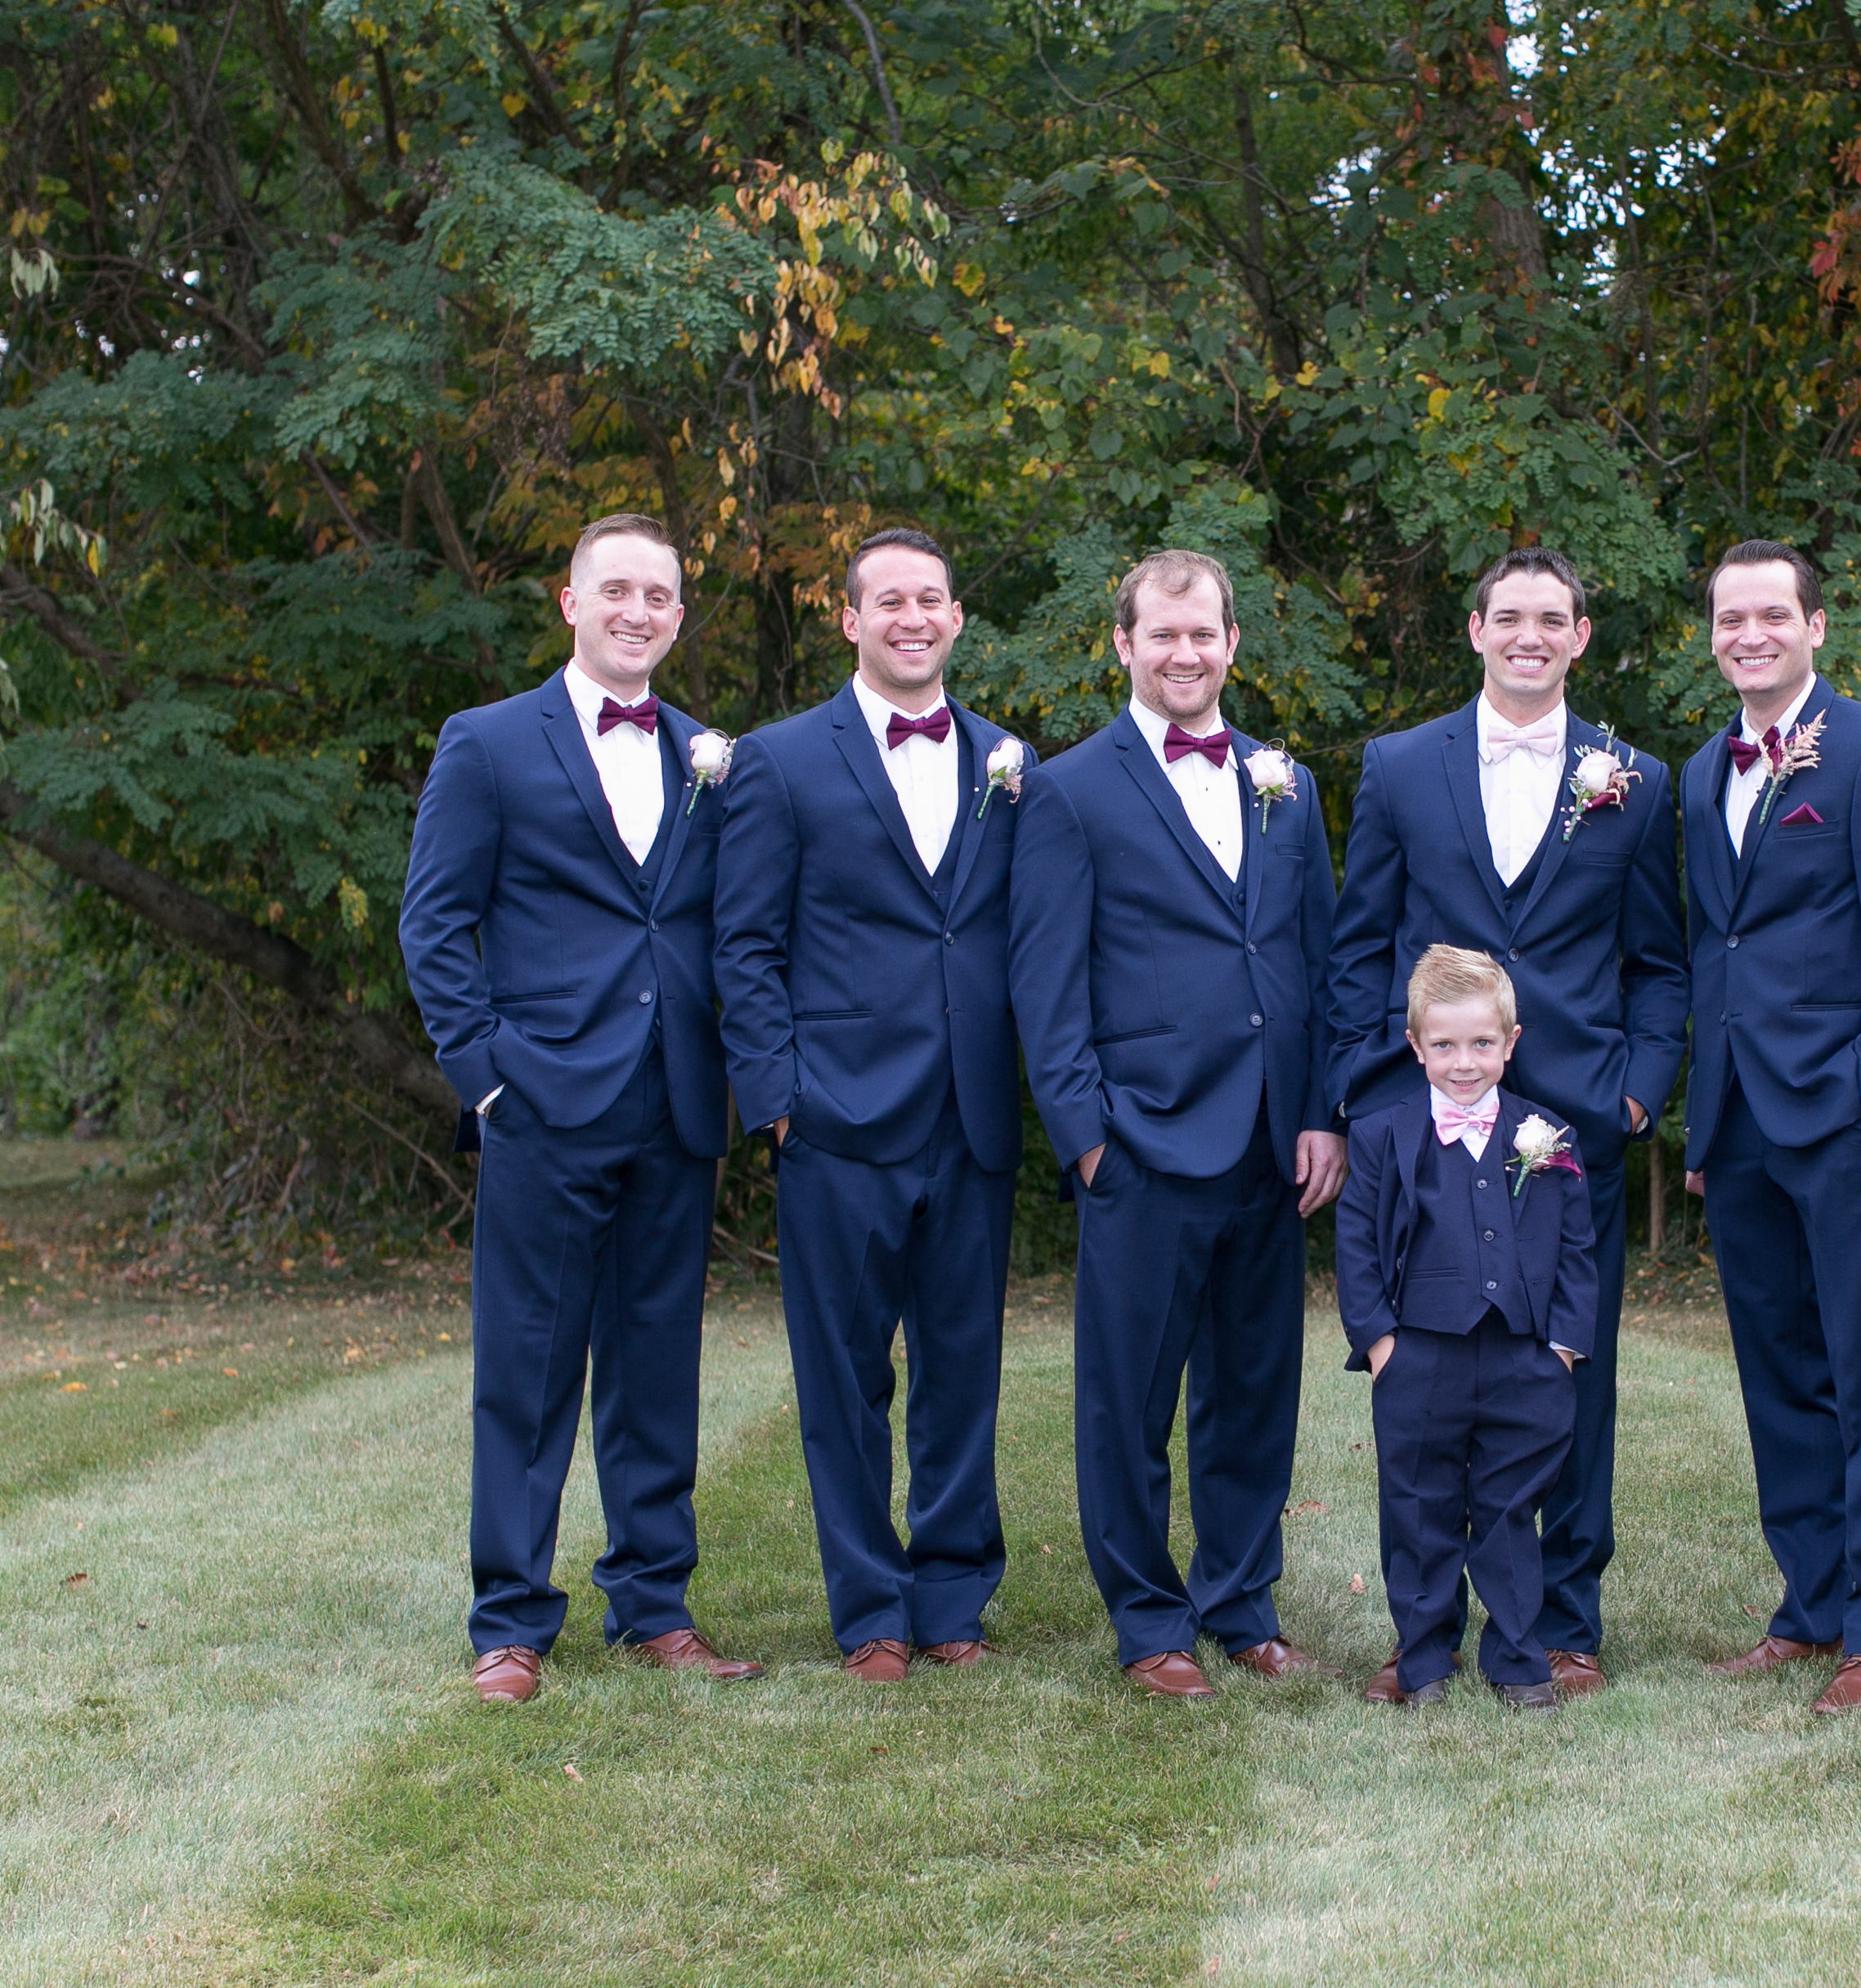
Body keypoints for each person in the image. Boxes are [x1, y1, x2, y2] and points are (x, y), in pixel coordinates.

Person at [399, 512, 762, 1703]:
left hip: (674, 1103)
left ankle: (652, 1602)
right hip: (543, 1101)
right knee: (529, 1366)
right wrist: (486, 1076)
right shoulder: (489, 742)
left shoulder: (713, 755)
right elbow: (434, 924)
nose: (638, 612)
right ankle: (509, 1620)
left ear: (676, 612)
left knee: (657, 1364)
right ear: (569, 601)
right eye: (616, 590)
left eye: (658, 595)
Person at [1325, 546, 1685, 1702]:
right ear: (1474, 628)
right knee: (1425, 1391)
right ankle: (1419, 1628)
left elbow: (1660, 958)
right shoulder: (1396, 765)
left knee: (1567, 1372)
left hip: (1569, 1115)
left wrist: (1635, 1085)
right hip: (1427, 1120)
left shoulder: (1635, 778)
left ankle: (1562, 1622)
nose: (1529, 634)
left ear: (1580, 636)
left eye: (1553, 619)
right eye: (1508, 616)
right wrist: (1366, 1096)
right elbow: (1357, 944)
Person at [1007, 548, 1346, 1699]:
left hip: (1268, 1142)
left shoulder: (1282, 782)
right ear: (1123, 644)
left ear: (1232, 643)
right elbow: (1043, 980)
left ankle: (1240, 1601)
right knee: (1127, 1399)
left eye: (1203, 634)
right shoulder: (1068, 787)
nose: (1185, 653)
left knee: (1253, 1390)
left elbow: (1312, 956)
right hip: (1141, 1142)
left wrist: (1317, 1113)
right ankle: (1148, 1620)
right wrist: (1087, 1135)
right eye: (1162, 634)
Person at [712, 529, 1027, 1681]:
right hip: (835, 1118)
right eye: (886, 599)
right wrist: (778, 1099)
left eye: (929, 598)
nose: (911, 616)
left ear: (954, 619)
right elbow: (742, 941)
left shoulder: (1007, 760)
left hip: (972, 1114)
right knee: (843, 1375)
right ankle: (869, 1612)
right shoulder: (780, 760)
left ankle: (950, 1597)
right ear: (848, 620)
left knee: (961, 1365)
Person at [1676, 539, 1861, 1716]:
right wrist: (1698, 1120)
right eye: (1730, 617)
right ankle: (1810, 1604)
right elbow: (1710, 944)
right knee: (1777, 1368)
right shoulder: (1700, 773)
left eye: (1770, 614)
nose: (1749, 633)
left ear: (1815, 625)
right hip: (1736, 1112)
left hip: (1840, 1108)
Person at [1337, 948, 1598, 1711]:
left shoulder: (1547, 1135)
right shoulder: (1383, 1135)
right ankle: (1421, 1661)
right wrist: (1382, 1344)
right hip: (1419, 1356)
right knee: (1419, 1511)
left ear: (1511, 1042)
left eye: (1481, 1044)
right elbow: (1355, 1246)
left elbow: (1577, 1250)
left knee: (1510, 1511)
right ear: (1414, 1046)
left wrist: (1561, 1349)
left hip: (1524, 1357)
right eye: (1443, 1045)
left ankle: (1517, 1659)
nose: (1462, 1062)